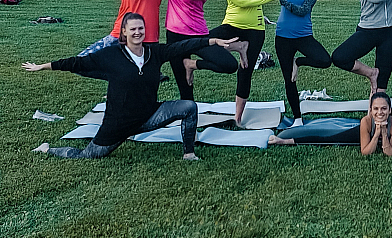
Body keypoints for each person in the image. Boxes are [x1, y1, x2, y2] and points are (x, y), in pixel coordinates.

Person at [24, 13, 237, 160]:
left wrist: (211, 42)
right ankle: (48, 149)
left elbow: (182, 46)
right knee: (88, 155)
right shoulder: (111, 55)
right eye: (132, 29)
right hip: (120, 123)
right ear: (124, 32)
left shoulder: (154, 52)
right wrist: (43, 67)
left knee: (189, 107)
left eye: (141, 28)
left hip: (150, 115)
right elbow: (76, 63)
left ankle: (189, 153)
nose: (137, 32)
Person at [209, 0, 280, 125]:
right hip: (232, 25)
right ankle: (236, 47)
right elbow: (240, 1)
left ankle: (237, 117)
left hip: (256, 29)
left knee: (245, 72)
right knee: (204, 40)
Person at [165, 0, 243, 100]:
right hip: (174, 36)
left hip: (197, 35)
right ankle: (189, 116)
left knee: (229, 65)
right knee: (184, 85)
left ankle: (191, 65)